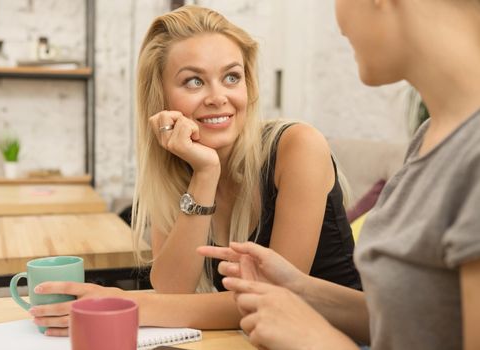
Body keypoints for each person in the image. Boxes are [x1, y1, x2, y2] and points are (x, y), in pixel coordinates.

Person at [28, 5, 360, 336]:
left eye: (232, 77)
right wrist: (204, 173)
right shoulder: (181, 165)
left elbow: (273, 302)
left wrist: (127, 305)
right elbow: (173, 287)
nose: (218, 97)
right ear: (161, 97)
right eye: (194, 81)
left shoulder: (298, 146)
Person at [198, 0, 480, 349]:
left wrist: (320, 342)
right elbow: (408, 326)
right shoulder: (432, 135)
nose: (338, 19)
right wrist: (297, 288)